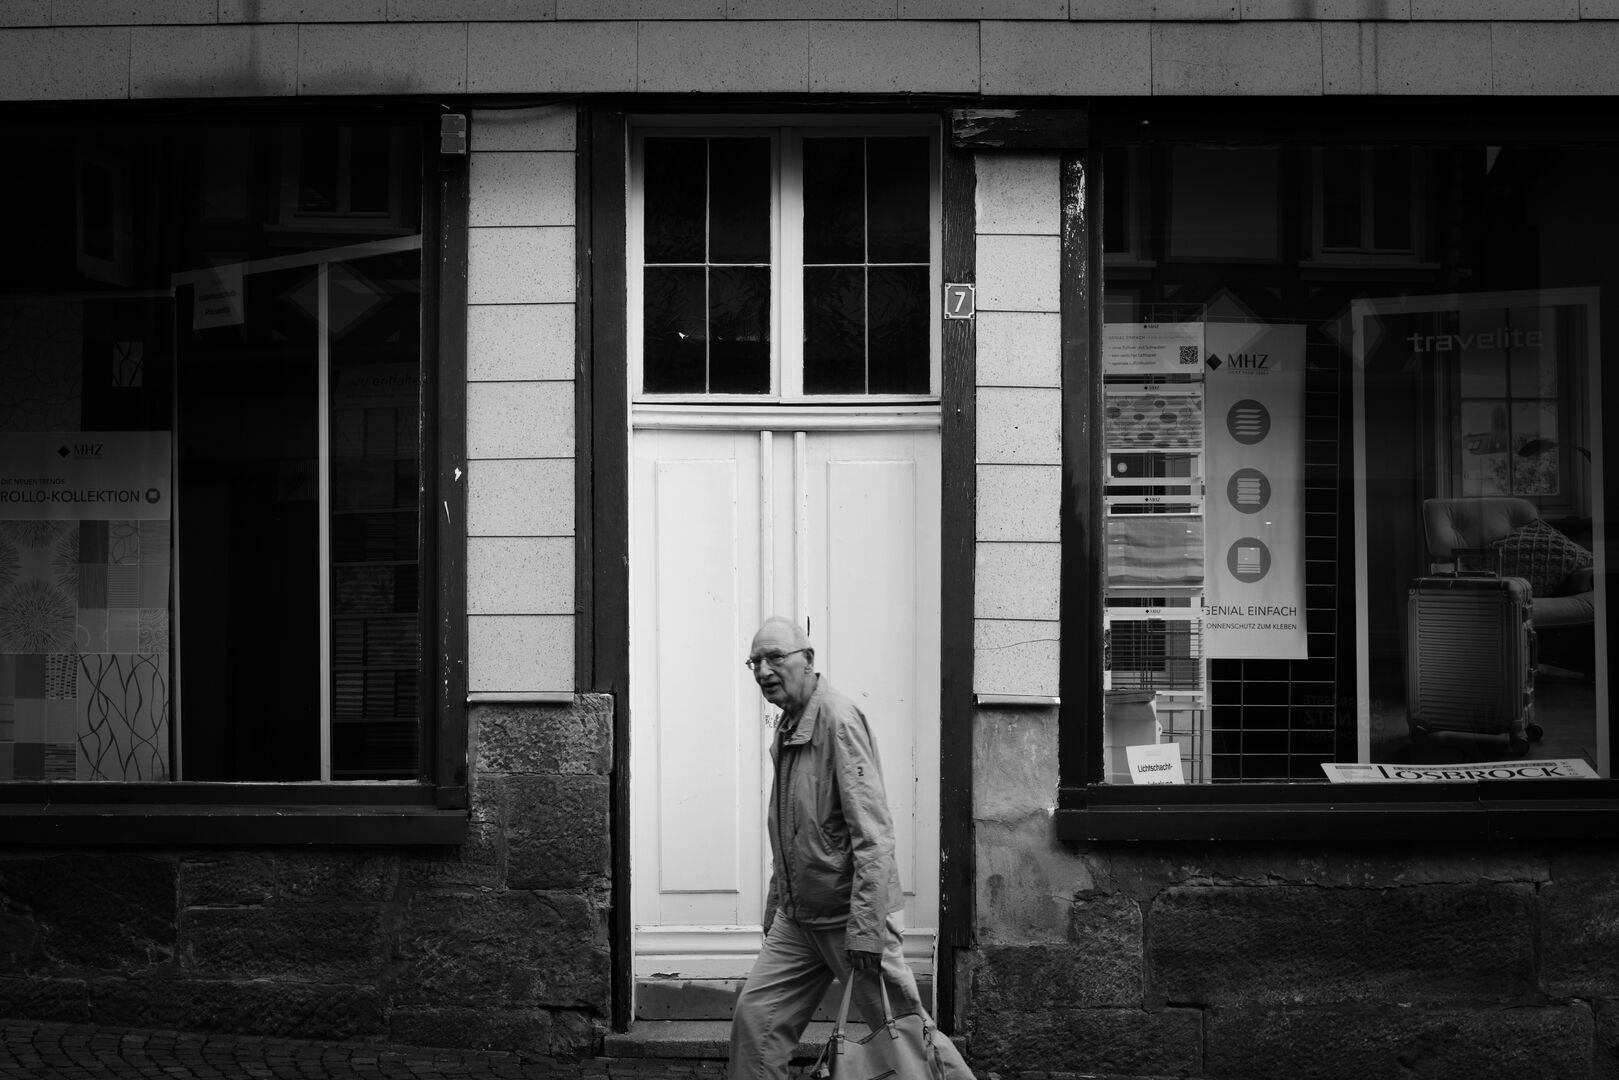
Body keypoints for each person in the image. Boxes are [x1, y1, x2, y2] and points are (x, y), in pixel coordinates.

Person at [728, 616, 976, 1080]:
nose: (763, 671)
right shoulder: (788, 726)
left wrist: (866, 929)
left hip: (850, 917)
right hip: (799, 921)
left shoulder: (838, 720)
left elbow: (873, 834)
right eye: (754, 662)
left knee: (902, 1036)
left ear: (808, 659)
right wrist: (776, 906)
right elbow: (789, 831)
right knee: (755, 1021)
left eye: (775, 657)